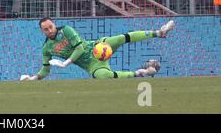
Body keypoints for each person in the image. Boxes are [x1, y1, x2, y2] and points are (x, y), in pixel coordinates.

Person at [20, 17, 175, 81]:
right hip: (91, 65)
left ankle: (159, 33)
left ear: (54, 24)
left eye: (50, 26)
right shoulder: (47, 48)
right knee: (102, 76)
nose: (50, 30)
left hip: (97, 47)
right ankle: (141, 73)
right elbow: (45, 70)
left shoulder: (65, 30)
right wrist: (32, 79)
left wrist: (65, 63)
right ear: (42, 32)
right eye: (45, 29)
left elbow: (80, 48)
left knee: (120, 38)